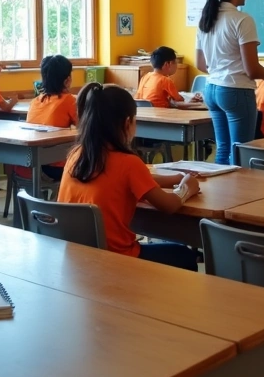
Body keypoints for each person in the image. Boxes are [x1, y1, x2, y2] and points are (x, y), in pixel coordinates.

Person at [58, 83, 202, 270]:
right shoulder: (128, 162)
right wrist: (186, 187)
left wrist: (174, 178)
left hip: (78, 259)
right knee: (183, 255)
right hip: (116, 261)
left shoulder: (77, 155)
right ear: (127, 123)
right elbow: (169, 205)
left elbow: (124, 181)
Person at [194, 0, 264, 164]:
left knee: (223, 149)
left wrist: (223, 70)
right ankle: (236, 195)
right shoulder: (242, 20)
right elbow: (251, 69)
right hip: (236, 91)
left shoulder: (206, 21)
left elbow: (200, 63)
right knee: (241, 151)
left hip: (212, 89)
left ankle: (220, 195)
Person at [20, 55, 79, 181]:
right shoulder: (68, 100)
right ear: (67, 80)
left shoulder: (36, 100)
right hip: (54, 166)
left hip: (27, 165)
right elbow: (84, 127)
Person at [136, 46, 201, 109]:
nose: (177, 66)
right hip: (161, 115)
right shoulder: (165, 80)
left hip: (144, 114)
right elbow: (179, 100)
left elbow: (138, 98)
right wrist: (191, 101)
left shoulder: (145, 77)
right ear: (167, 64)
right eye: (175, 62)